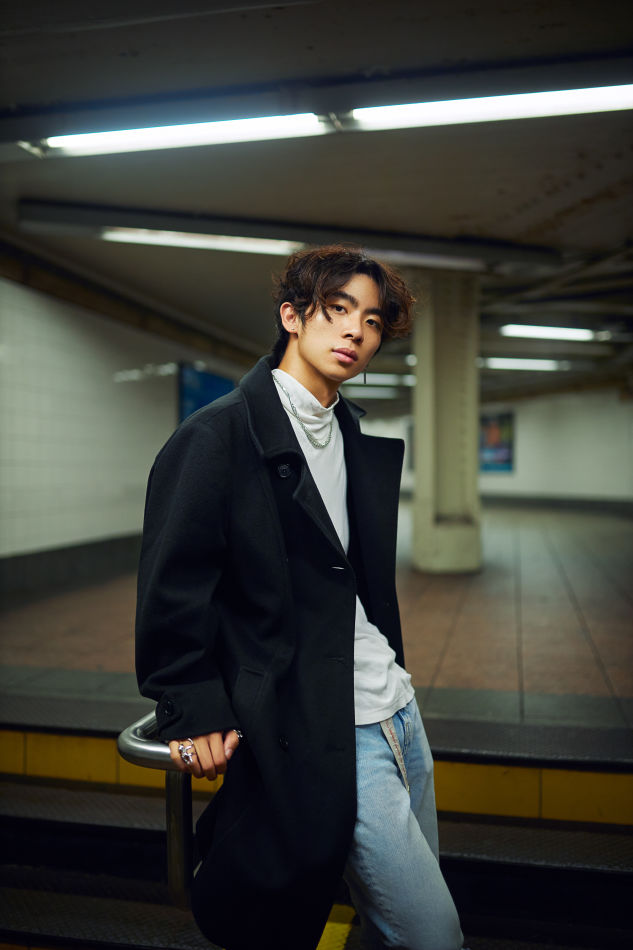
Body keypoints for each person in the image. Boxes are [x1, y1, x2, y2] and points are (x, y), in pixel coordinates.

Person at [135, 245, 465, 950]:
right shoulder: (217, 437)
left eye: (371, 321)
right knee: (432, 934)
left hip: (397, 708)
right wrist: (192, 706)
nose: (355, 332)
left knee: (392, 925)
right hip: (323, 723)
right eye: (337, 309)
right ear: (291, 316)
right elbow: (173, 588)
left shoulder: (347, 431)